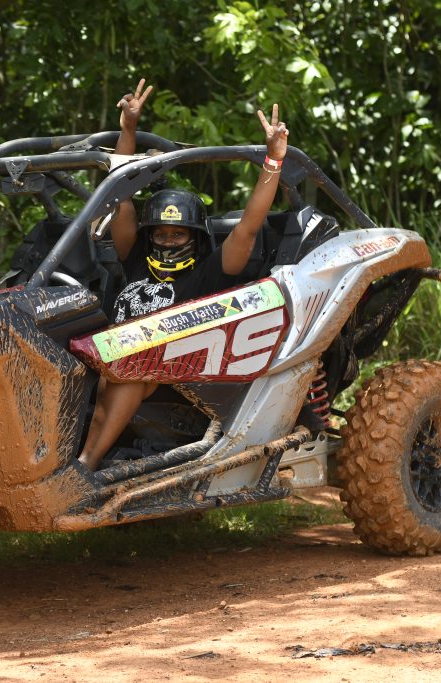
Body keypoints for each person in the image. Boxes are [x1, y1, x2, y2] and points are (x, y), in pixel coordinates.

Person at [78, 79, 290, 471]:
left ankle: (84, 467)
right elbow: (120, 197)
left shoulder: (209, 272)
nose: (169, 240)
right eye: (161, 232)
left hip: (175, 370)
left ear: (195, 238)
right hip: (112, 359)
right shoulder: (137, 260)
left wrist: (273, 160)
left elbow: (247, 227)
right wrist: (128, 129)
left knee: (129, 373)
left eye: (178, 234)